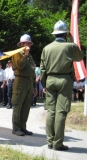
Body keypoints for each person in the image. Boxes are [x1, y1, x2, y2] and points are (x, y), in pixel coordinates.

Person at [40, 20, 83, 151]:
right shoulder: (70, 46)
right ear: (65, 34)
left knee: (51, 111)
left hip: (50, 80)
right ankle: (58, 144)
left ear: (54, 34)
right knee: (61, 112)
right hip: (65, 80)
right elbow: (79, 57)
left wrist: (44, 84)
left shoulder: (46, 48)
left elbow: (42, 69)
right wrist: (72, 40)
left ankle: (49, 141)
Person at [11, 34, 37, 136]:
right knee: (18, 105)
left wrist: (34, 86)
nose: (29, 45)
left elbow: (32, 71)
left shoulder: (29, 55)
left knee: (26, 106)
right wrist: (25, 54)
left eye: (30, 43)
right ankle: (16, 128)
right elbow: (21, 66)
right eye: (27, 43)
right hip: (20, 82)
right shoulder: (17, 54)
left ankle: (23, 127)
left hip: (29, 82)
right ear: (21, 44)